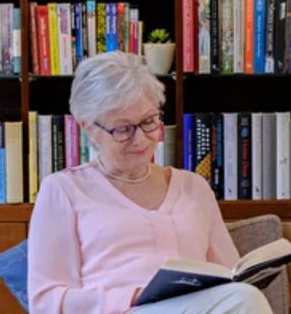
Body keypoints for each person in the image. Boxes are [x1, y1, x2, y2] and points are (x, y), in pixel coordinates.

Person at [27, 52, 273, 314]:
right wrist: (132, 297)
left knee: (244, 295)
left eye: (148, 122)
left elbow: (231, 275)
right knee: (244, 299)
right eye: (123, 129)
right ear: (89, 129)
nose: (141, 139)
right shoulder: (64, 190)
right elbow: (45, 301)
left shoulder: (194, 188)